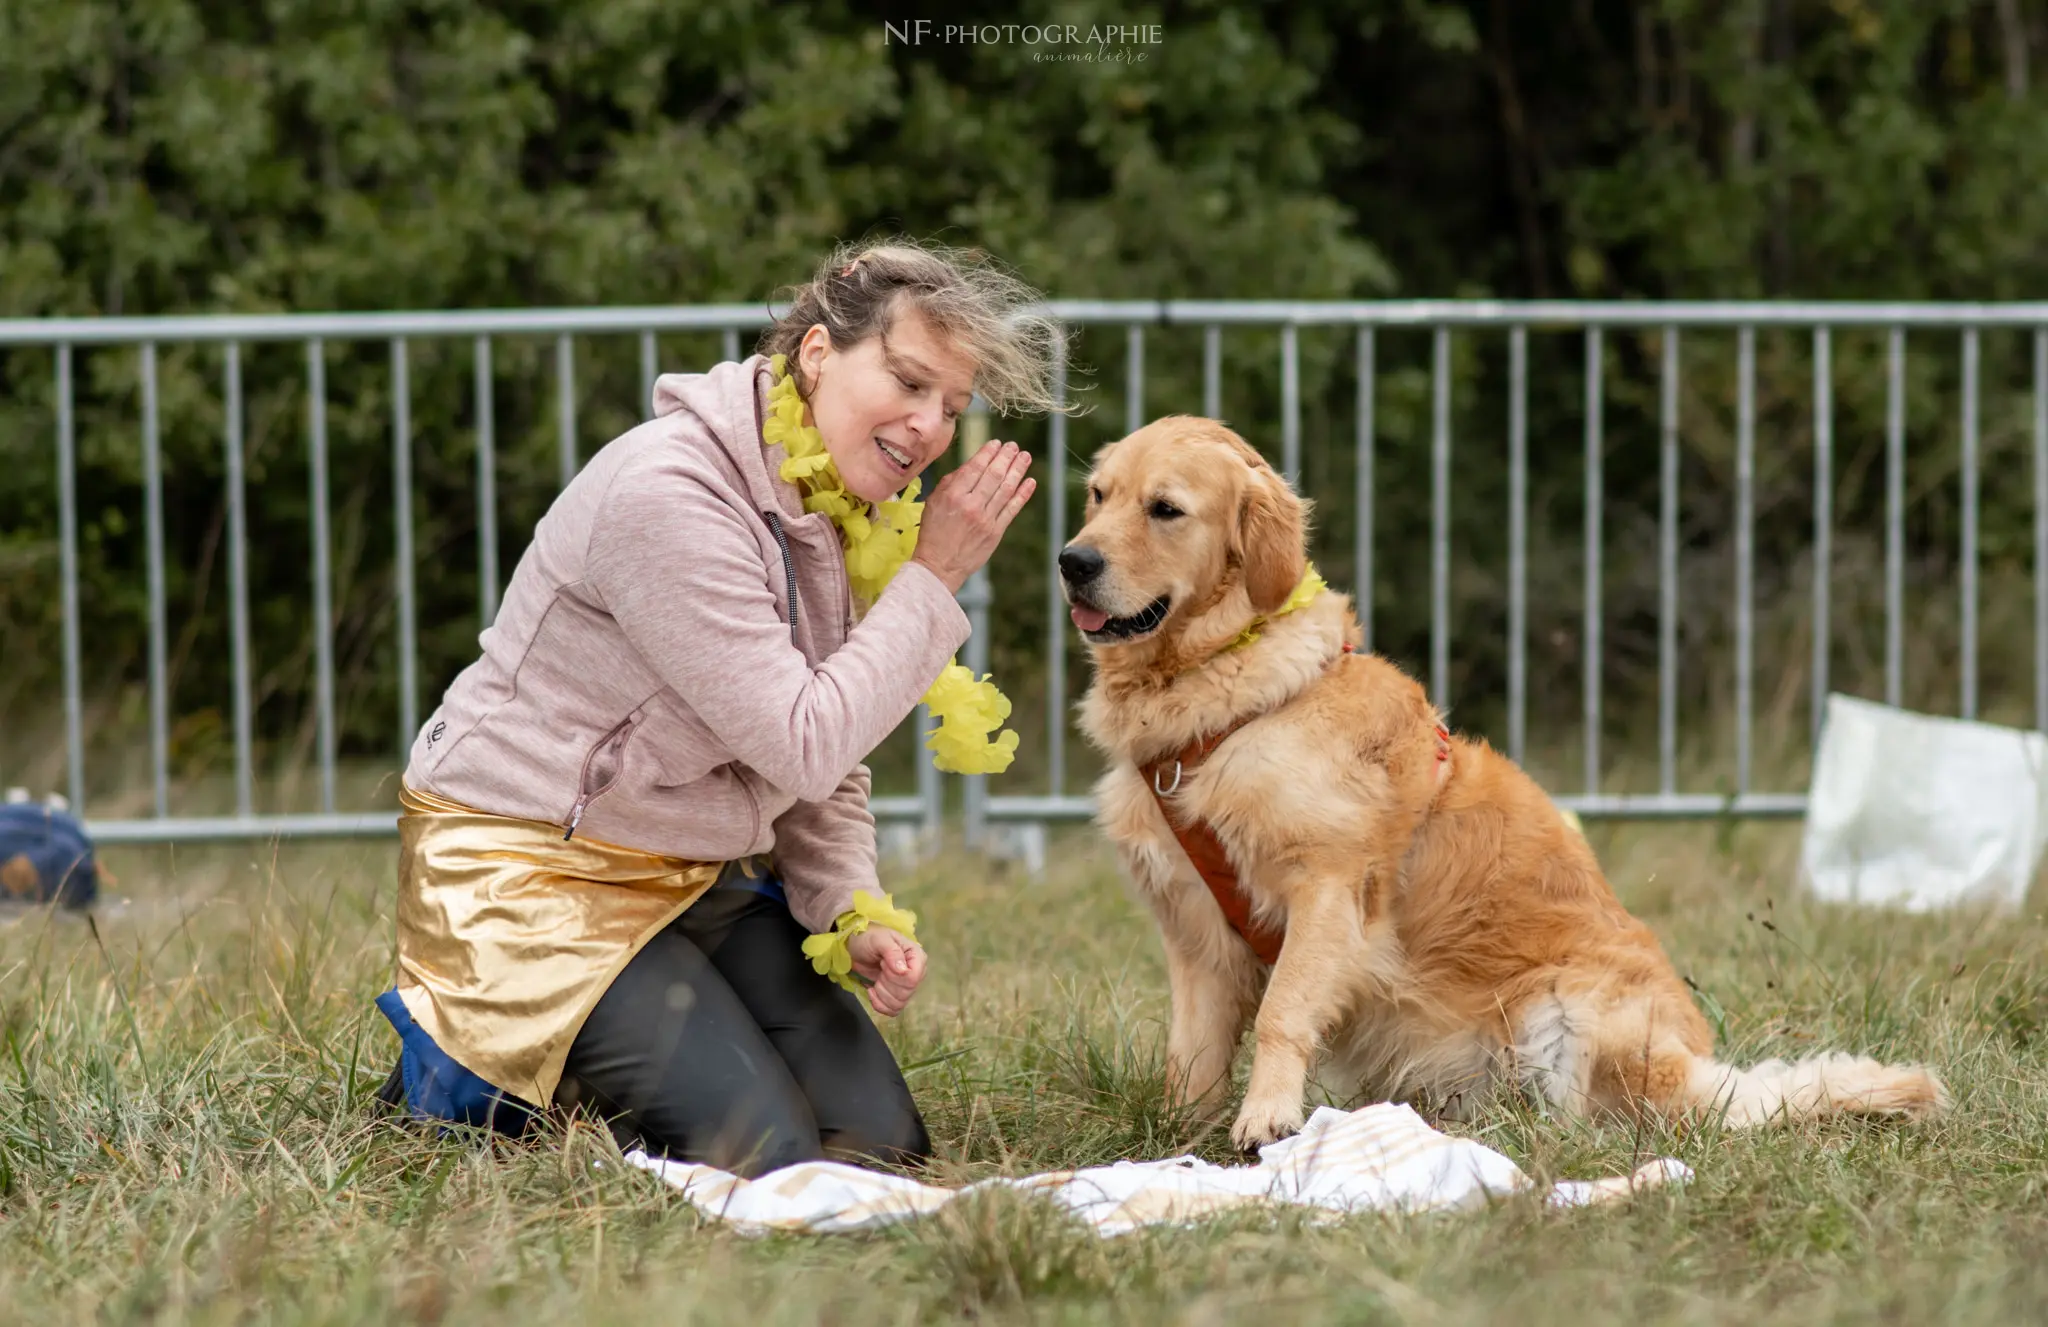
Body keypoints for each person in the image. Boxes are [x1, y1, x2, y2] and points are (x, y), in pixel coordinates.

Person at [372, 239, 1062, 1177]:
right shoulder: (670, 495)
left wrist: (850, 908)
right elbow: (803, 741)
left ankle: (577, 1053)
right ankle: (462, 1066)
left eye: (952, 406)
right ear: (816, 354)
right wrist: (935, 575)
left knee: (882, 1152)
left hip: (688, 872)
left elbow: (827, 754)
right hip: (531, 869)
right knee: (763, 1156)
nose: (931, 427)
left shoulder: (832, 501)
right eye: (907, 381)